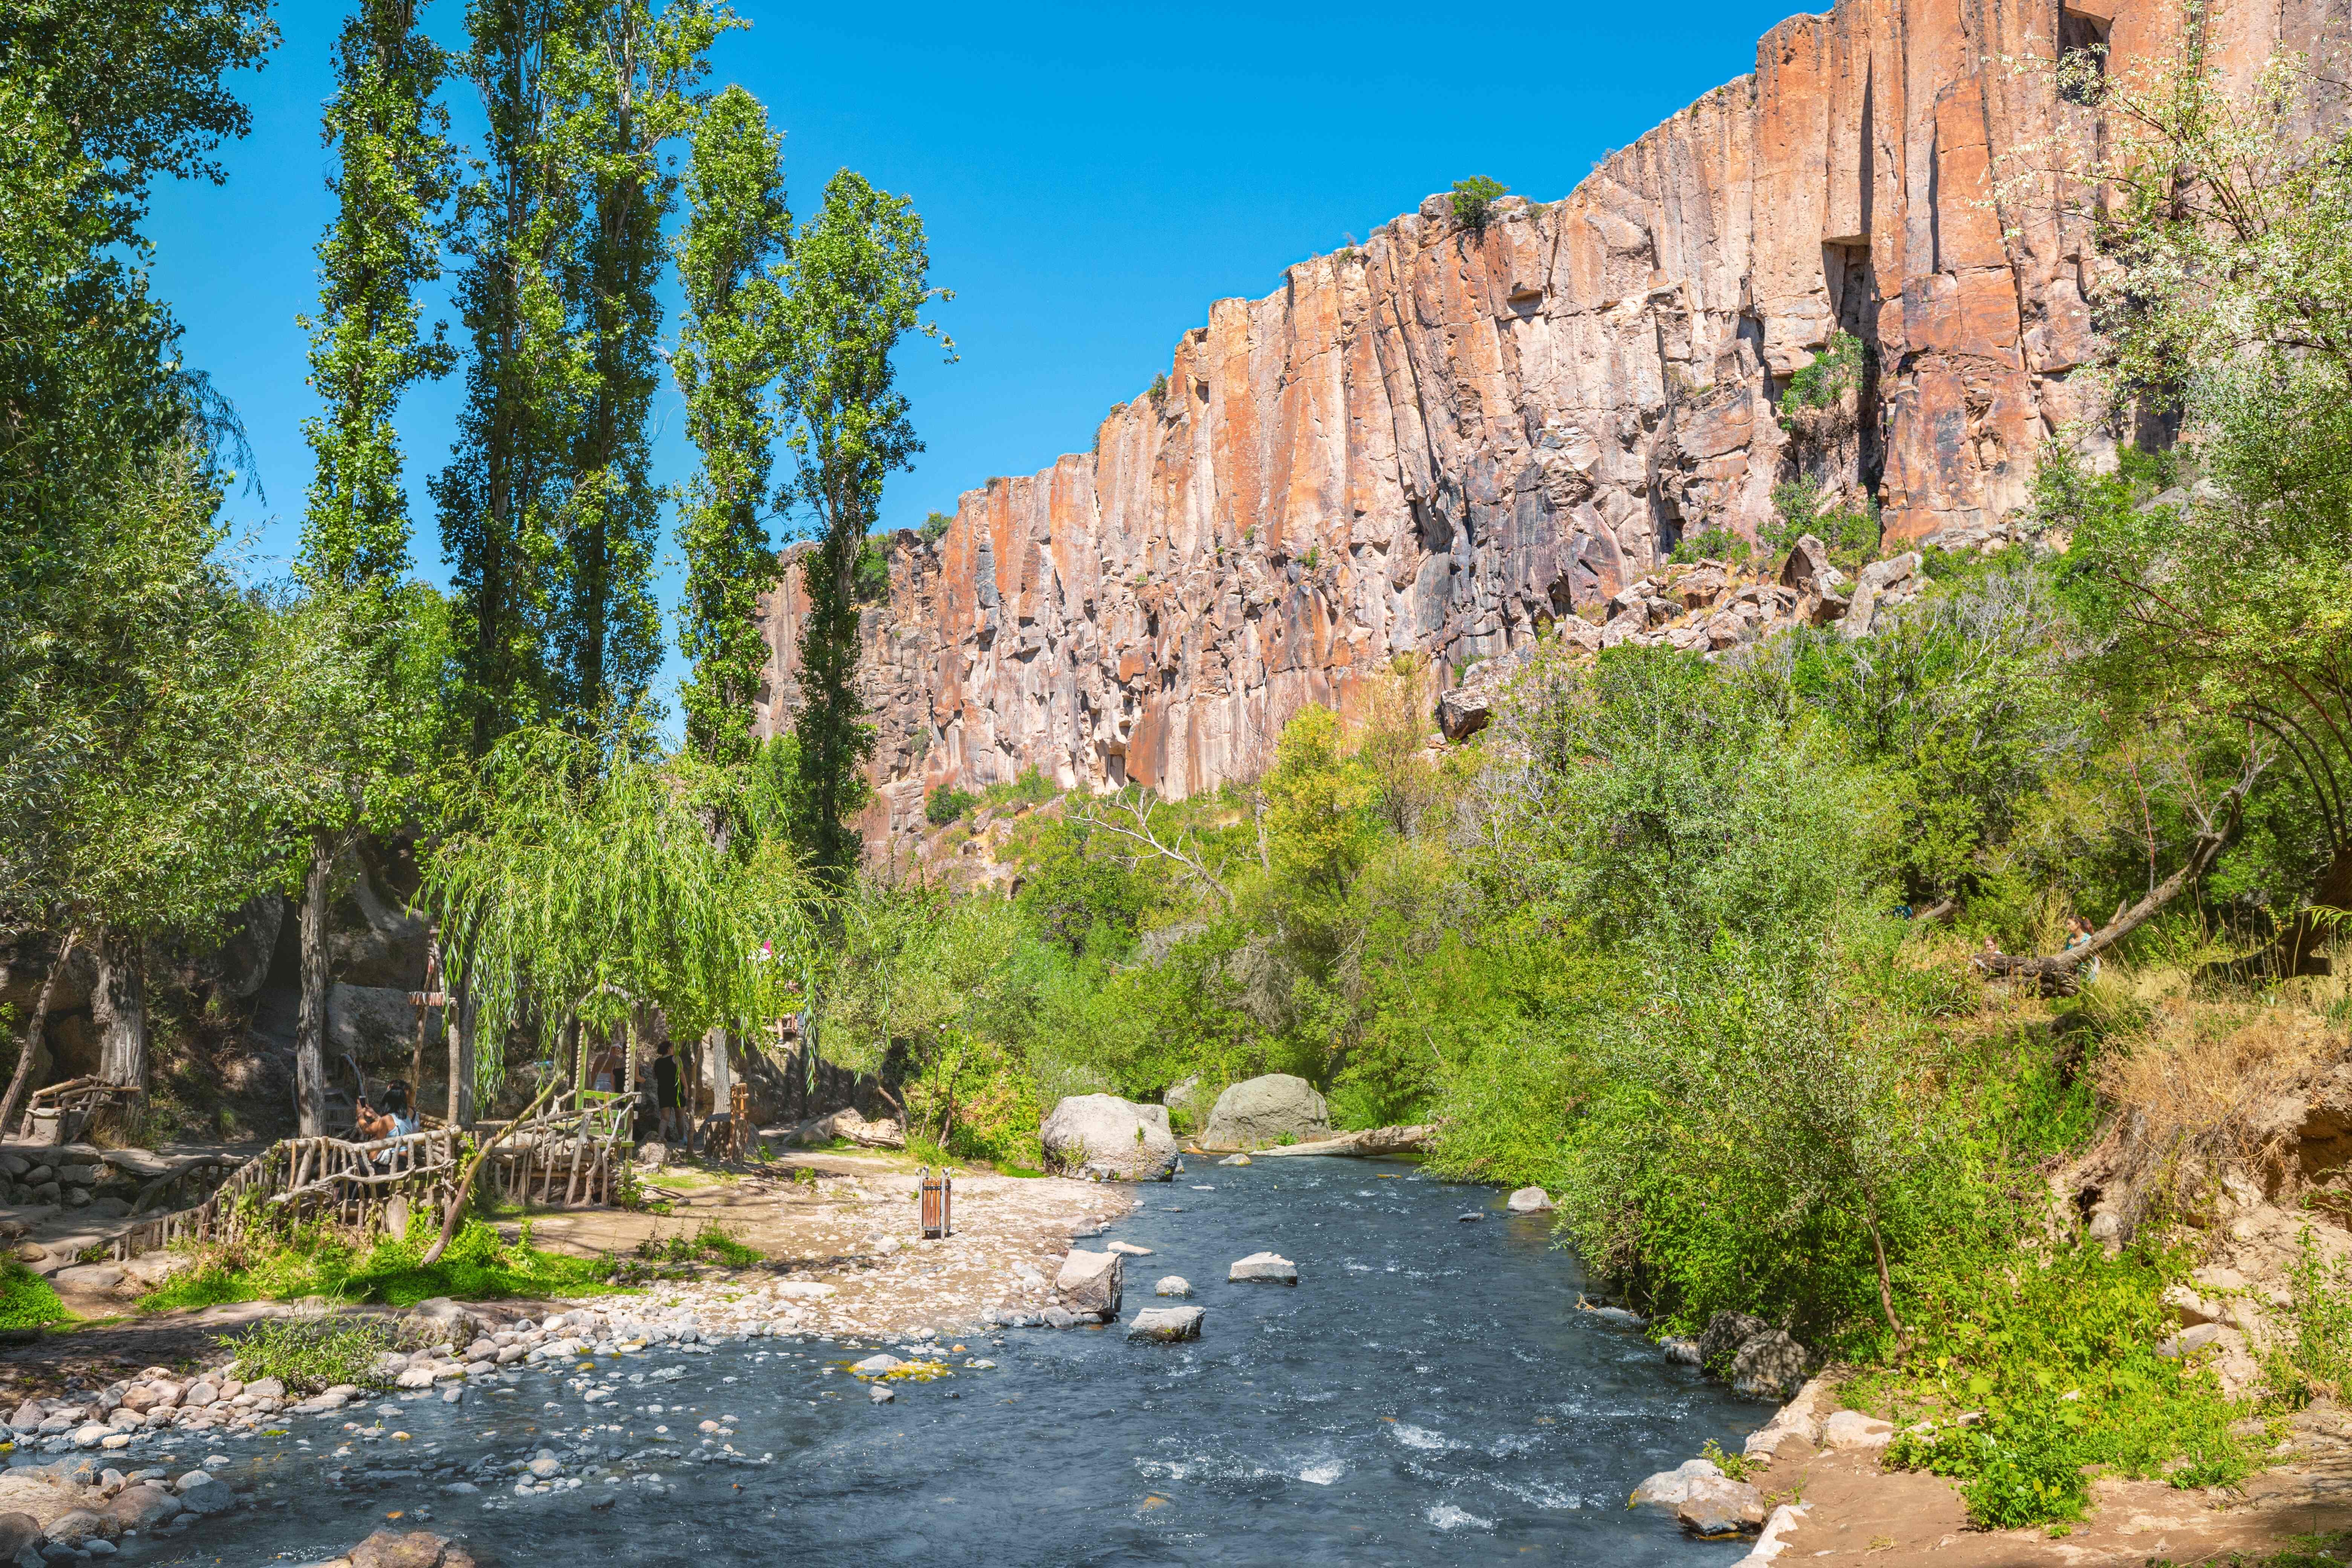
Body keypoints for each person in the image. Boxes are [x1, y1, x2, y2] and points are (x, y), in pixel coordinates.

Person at [653, 1041, 686, 1144]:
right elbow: (681, 1074)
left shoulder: (656, 1062)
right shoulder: (676, 1059)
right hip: (677, 1090)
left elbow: (654, 1076)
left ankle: (660, 1138)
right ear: (669, 1049)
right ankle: (682, 1139)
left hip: (663, 1091)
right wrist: (686, 1088)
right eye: (673, 1048)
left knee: (665, 1118)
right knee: (680, 1116)